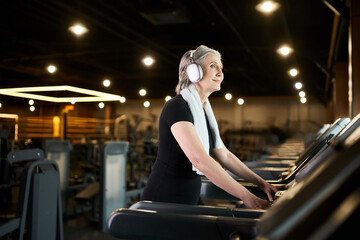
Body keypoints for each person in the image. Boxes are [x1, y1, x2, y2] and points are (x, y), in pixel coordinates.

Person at [141, 45, 277, 209]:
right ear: (194, 72)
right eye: (213, 66)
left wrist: (261, 183)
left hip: (189, 198)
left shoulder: (203, 110)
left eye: (221, 66)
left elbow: (224, 155)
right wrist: (247, 197)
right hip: (164, 200)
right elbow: (199, 160)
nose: (220, 72)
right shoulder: (177, 107)